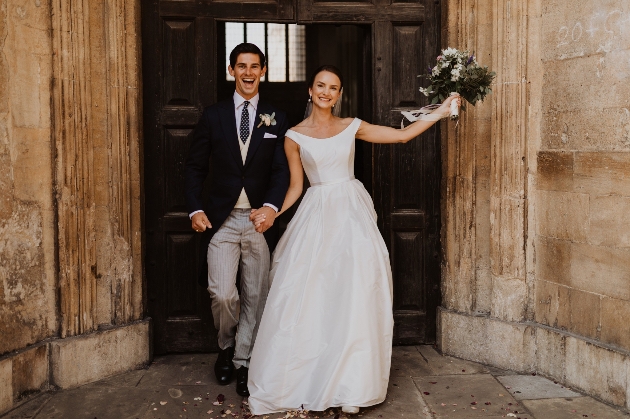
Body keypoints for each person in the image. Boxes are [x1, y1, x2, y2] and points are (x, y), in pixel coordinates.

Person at [246, 65, 460, 415]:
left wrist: (439, 110)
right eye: (321, 86)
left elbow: (401, 136)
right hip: (316, 216)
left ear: (339, 94)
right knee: (312, 294)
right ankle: (308, 379)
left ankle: (351, 387)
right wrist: (272, 213)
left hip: (351, 213)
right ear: (310, 91)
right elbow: (296, 187)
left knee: (355, 292)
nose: (327, 92)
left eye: (334, 87)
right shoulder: (293, 136)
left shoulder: (351, 126)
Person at [184, 43, 290, 397]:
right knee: (223, 293)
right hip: (223, 220)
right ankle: (225, 346)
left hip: (259, 220)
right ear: (231, 70)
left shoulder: (276, 116)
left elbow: (281, 170)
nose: (248, 73)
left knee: (256, 294)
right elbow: (196, 167)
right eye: (241, 66)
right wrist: (196, 209)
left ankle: (243, 361)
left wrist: (272, 208)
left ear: (263, 70)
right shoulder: (213, 116)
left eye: (254, 66)